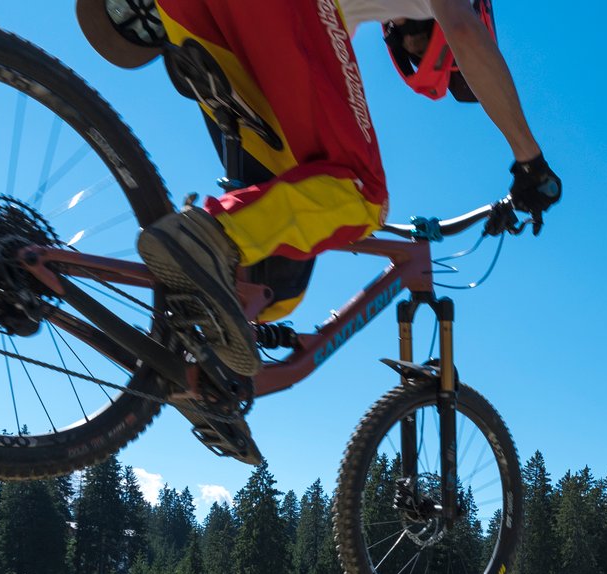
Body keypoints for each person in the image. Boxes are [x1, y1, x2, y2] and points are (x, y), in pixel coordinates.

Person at [80, 0, 561, 400]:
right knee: (361, 196)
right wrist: (530, 162)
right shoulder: (444, 12)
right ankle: (207, 234)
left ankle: (188, 345)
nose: (415, 49)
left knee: (273, 284)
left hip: (193, 18)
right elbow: (464, 28)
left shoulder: (351, 18)